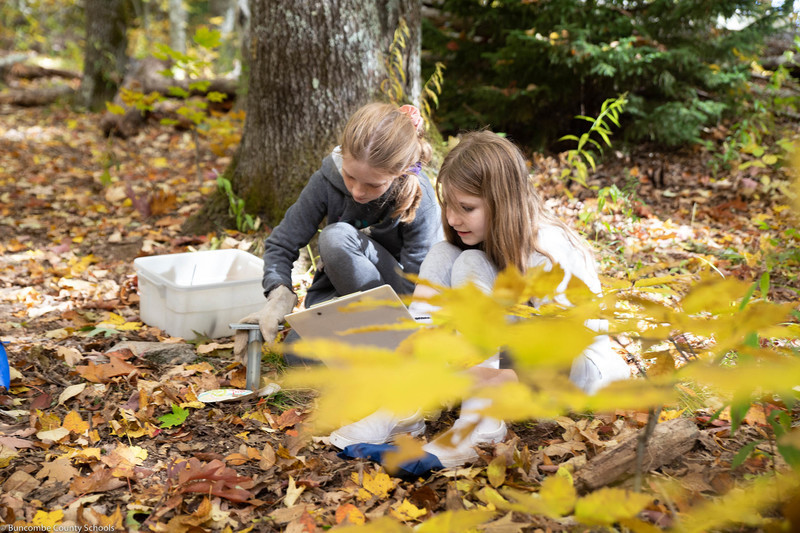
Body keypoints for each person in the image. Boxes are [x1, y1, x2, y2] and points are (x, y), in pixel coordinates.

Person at [329, 130, 630, 467]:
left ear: (503, 202)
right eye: (449, 206)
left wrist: (497, 376)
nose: (454, 218)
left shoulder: (549, 249)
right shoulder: (482, 242)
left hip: (574, 369)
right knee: (449, 254)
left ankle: (482, 422)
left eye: (467, 208)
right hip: (511, 357)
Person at [233, 103, 443, 364]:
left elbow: (421, 278)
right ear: (342, 156)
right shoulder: (326, 179)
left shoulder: (419, 195)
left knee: (335, 238)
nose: (357, 191)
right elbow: (282, 242)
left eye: (373, 184)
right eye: (350, 176)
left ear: (399, 173)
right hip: (344, 299)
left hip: (398, 303)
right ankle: (368, 349)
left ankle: (388, 344)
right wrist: (279, 294)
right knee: (295, 357)